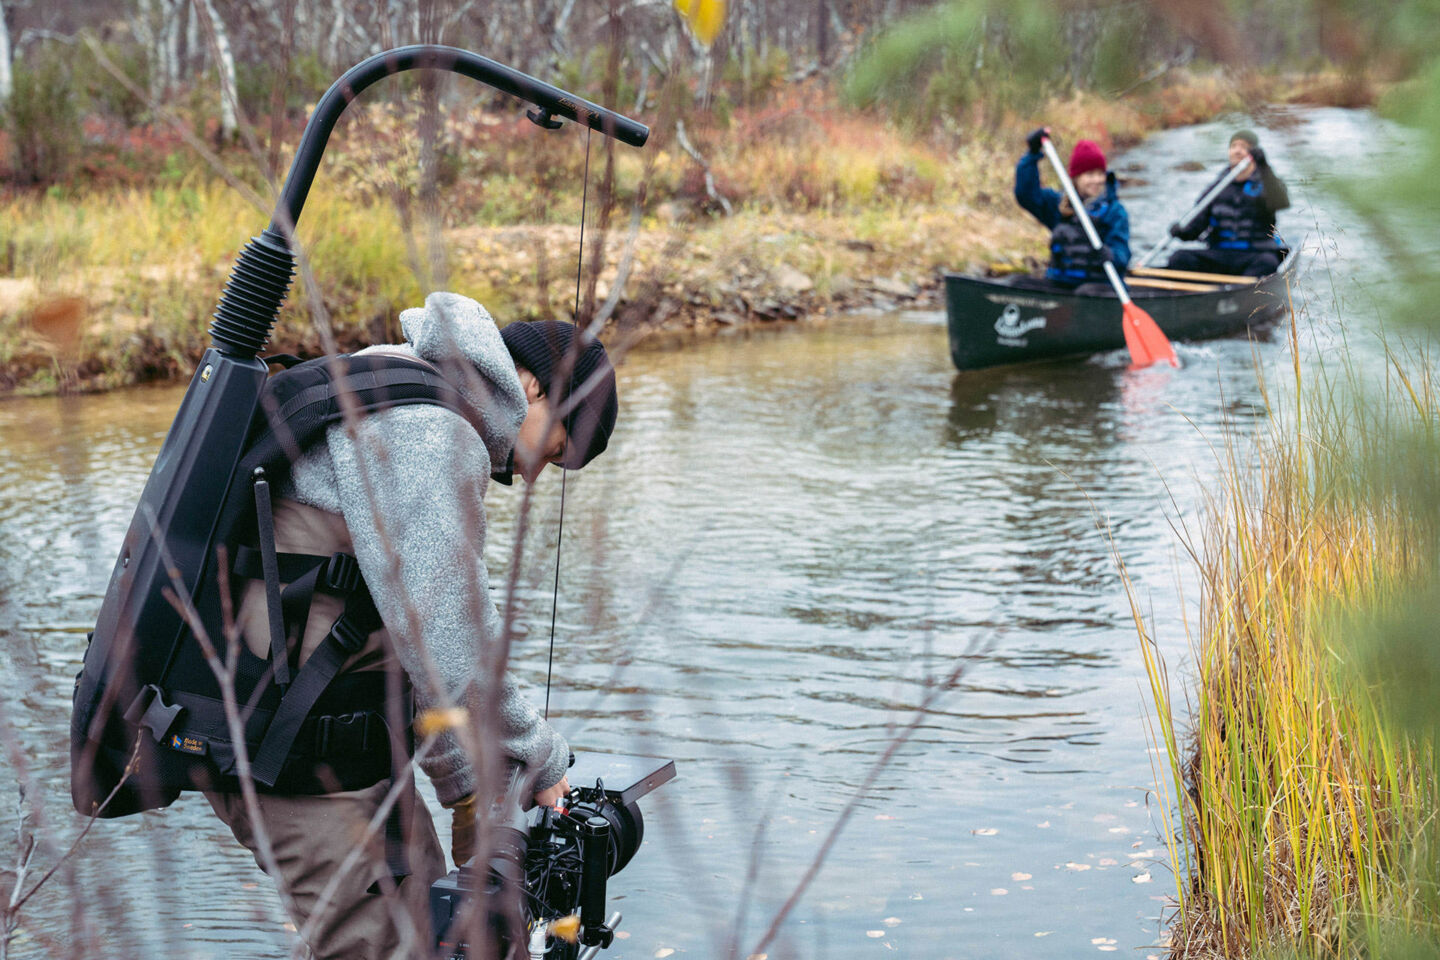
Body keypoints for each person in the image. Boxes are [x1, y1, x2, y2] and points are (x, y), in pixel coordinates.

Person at [207, 292, 619, 959]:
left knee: (436, 933)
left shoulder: (403, 387)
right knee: (386, 947)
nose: (540, 473)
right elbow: (447, 641)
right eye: (561, 448)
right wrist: (538, 752)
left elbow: (414, 645)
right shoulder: (431, 427)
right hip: (289, 754)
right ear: (535, 386)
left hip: (322, 743)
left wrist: (466, 789)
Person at [1014, 127, 1131, 290]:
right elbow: (1025, 194)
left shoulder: (1114, 211)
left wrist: (1111, 255)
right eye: (1090, 175)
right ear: (1076, 178)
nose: (1096, 180)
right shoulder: (1058, 205)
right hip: (1061, 284)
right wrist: (1032, 155)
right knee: (1018, 283)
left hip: (1101, 286)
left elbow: (1123, 253)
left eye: (1100, 174)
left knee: (1086, 292)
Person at [1165, 129, 1290, 277]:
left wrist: (1264, 167)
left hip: (1255, 254)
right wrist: (1182, 231)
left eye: (1244, 146)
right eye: (1234, 146)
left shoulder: (1267, 183)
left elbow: (1282, 203)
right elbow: (1196, 227)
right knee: (1179, 258)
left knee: (1267, 263)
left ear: (1254, 153)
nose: (1238, 151)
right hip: (1220, 254)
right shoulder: (1216, 188)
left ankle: (1243, 294)